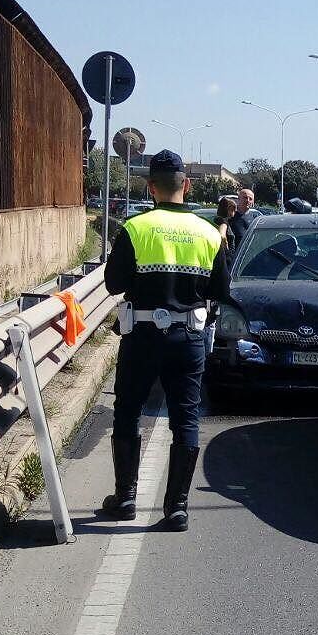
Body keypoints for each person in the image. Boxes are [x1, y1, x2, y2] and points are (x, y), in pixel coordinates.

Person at [102, 150, 231, 531]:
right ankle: (177, 508)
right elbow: (220, 290)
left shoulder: (135, 228)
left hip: (141, 336)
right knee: (185, 418)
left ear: (151, 187)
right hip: (188, 337)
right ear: (186, 186)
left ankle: (125, 497)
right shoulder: (208, 234)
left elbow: (114, 284)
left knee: (127, 411)